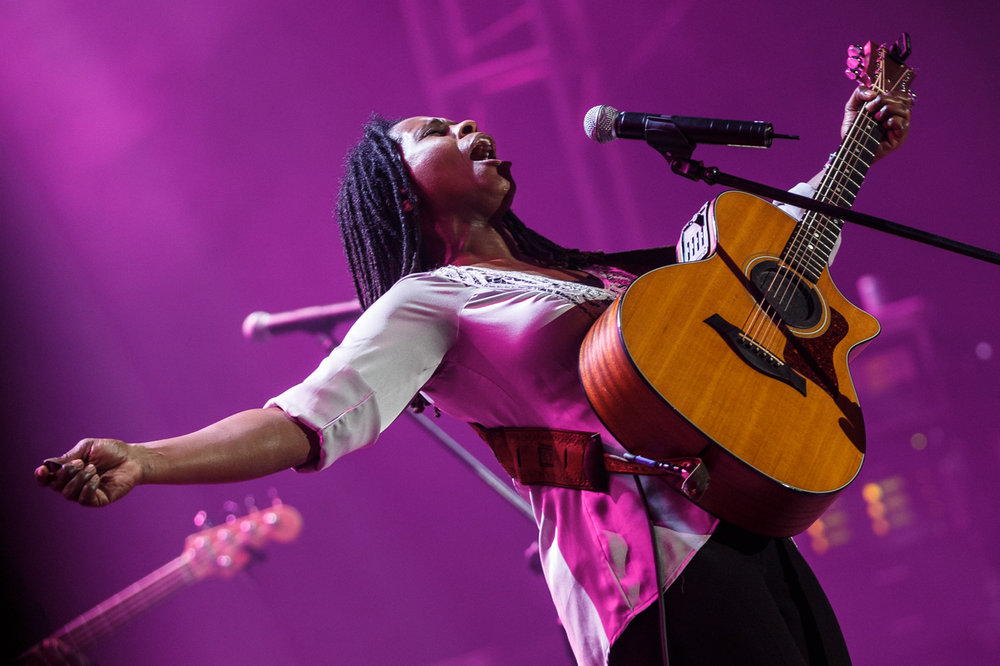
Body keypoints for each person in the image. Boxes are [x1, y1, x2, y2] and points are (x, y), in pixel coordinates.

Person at [35, 83, 911, 665]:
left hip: (746, 525)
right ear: (401, 190)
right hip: (650, 571)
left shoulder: (592, 274)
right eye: (436, 133)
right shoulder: (431, 299)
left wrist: (855, 145)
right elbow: (299, 420)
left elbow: (770, 264)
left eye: (465, 123)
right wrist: (149, 458)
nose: (469, 128)